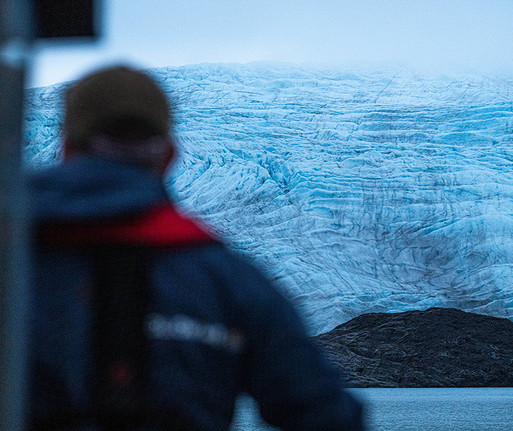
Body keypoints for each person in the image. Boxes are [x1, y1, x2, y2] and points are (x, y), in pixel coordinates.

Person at [27, 66, 364, 431]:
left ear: (65, 148)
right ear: (170, 156)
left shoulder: (16, 261)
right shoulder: (225, 280)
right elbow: (326, 413)